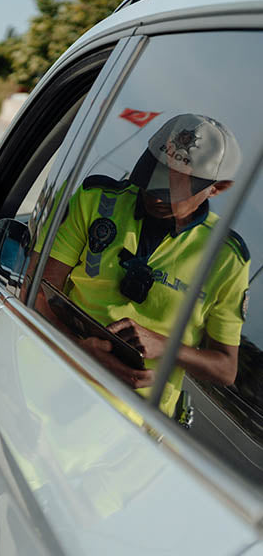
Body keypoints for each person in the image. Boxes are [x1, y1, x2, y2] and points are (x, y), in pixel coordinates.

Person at [31, 113, 250, 418]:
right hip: (44, 391)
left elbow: (226, 369)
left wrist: (165, 346)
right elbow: (35, 290)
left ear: (218, 187)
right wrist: (79, 348)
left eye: (175, 188)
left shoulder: (227, 258)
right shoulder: (95, 200)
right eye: (152, 176)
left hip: (133, 430)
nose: (155, 195)